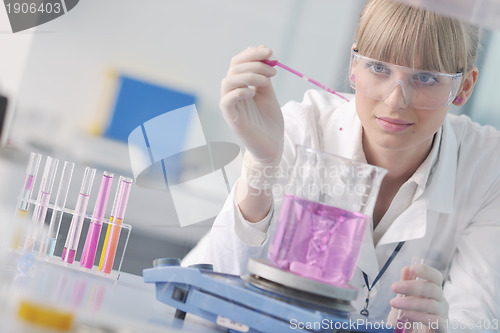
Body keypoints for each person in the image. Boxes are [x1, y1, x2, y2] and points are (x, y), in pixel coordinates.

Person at [183, 0, 500, 331]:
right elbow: (216, 289)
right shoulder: (300, 127)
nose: (395, 100)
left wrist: (441, 326)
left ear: (463, 87)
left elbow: (478, 317)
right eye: (379, 68)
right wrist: (262, 164)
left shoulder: (488, 166)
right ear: (354, 66)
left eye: (425, 78)